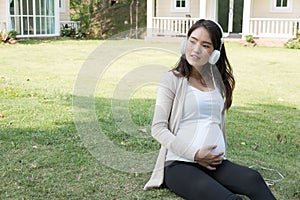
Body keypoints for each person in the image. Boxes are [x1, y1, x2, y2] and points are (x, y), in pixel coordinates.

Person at [144, 19, 276, 200]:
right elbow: (158, 129)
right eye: (192, 40)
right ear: (185, 42)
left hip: (213, 164)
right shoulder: (172, 79)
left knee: (253, 179)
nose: (196, 49)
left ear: (214, 54)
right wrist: (195, 154)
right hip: (179, 164)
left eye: (205, 45)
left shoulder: (217, 84)